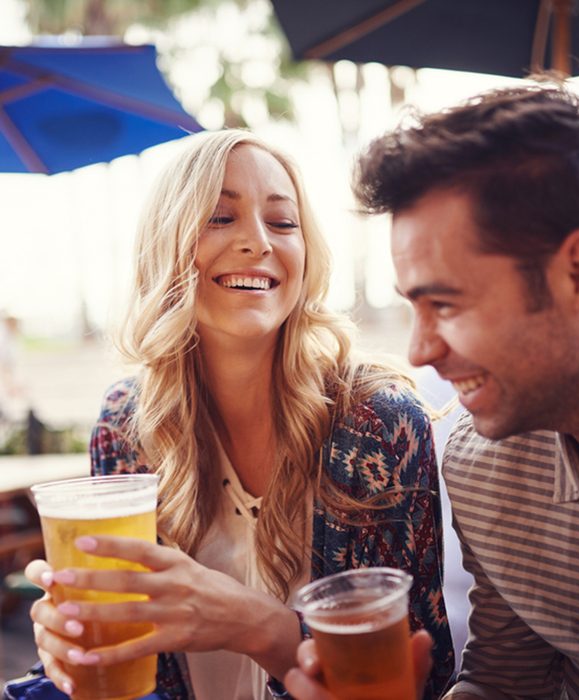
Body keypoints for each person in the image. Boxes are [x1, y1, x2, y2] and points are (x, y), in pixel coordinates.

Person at [284, 84, 579, 699]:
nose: (419, 351)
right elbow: (508, 681)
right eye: (414, 307)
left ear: (577, 273)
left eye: (445, 304)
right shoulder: (483, 469)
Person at [25, 129, 454, 699]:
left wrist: (258, 625)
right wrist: (70, 648)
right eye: (220, 218)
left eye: (283, 223)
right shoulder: (126, 425)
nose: (258, 242)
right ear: (167, 246)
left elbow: (418, 676)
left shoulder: (376, 422)